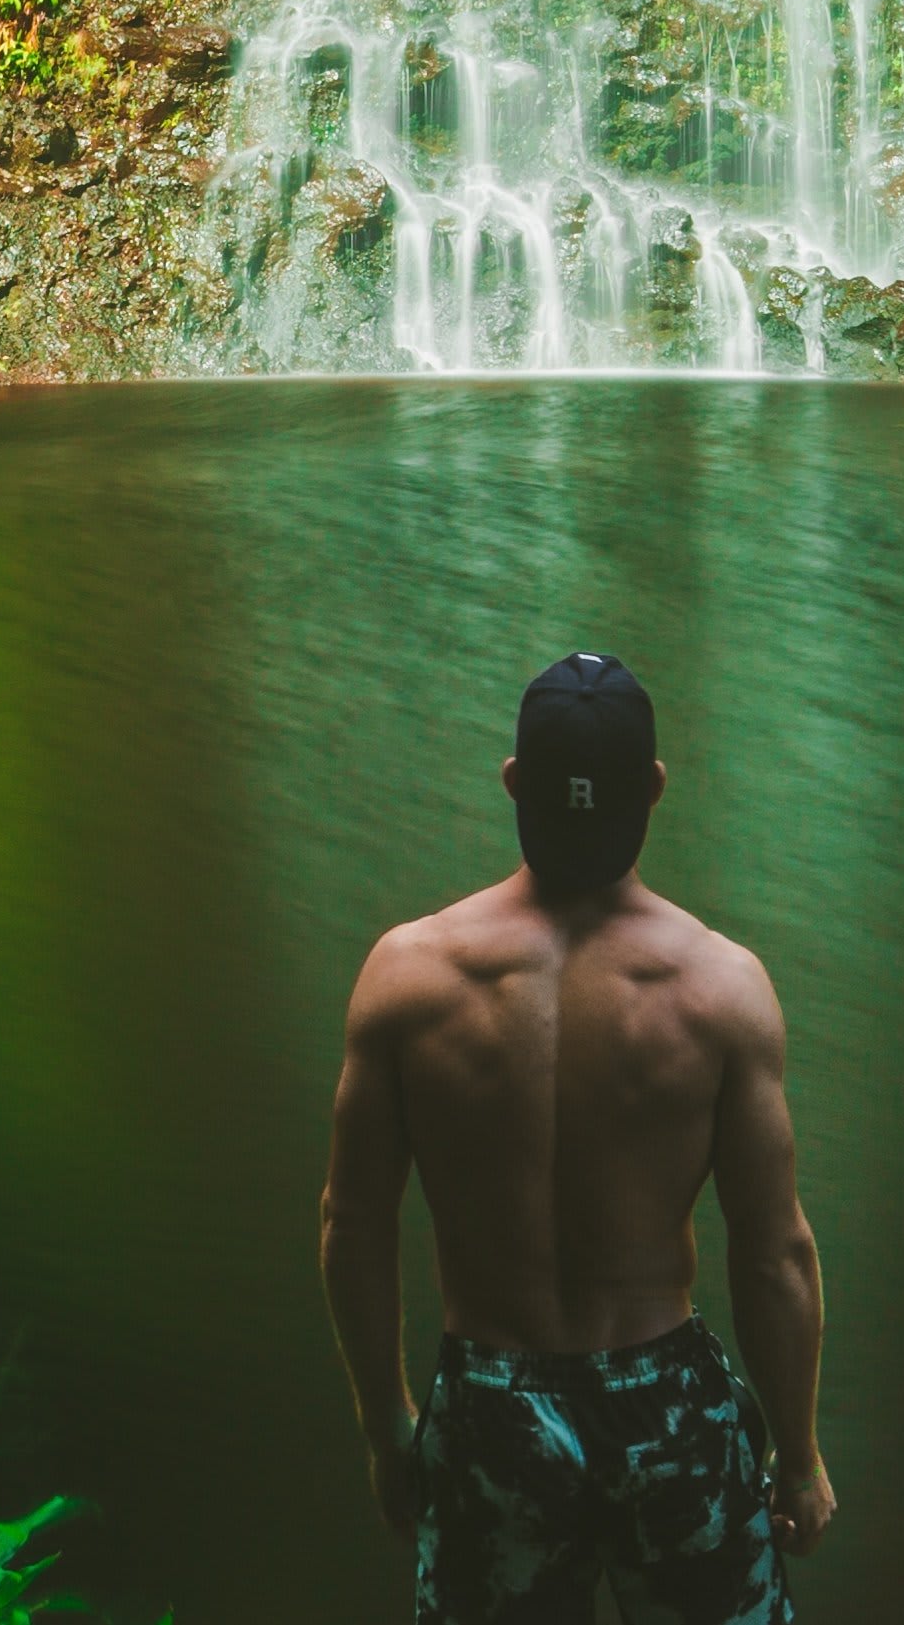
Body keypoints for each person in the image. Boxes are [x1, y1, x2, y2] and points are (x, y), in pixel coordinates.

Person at [321, 651, 834, 1623]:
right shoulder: (720, 986)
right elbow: (775, 1254)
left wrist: (388, 1425)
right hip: (665, 1404)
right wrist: (797, 1457)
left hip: (487, 1406)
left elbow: (354, 1222)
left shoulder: (406, 975)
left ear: (514, 779)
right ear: (653, 788)